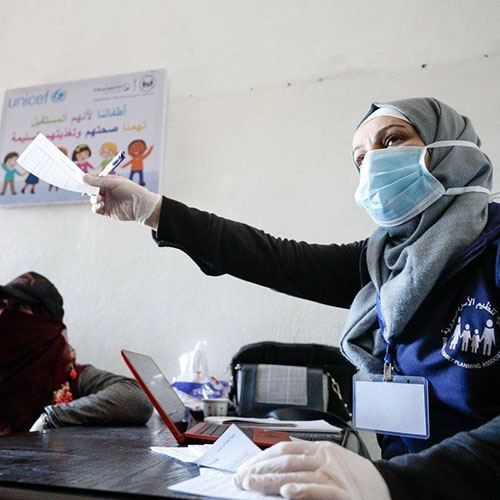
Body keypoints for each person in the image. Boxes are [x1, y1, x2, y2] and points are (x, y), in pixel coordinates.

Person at [83, 98, 499, 497]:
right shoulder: (384, 261)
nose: (373, 163)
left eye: (392, 140)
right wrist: (153, 210)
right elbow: (273, 259)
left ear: (451, 147)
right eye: (360, 158)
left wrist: (392, 482)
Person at [0, 271, 153, 435]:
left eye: (19, 307)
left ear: (45, 321)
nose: (4, 314)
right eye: (3, 305)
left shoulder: (68, 376)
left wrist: (53, 416)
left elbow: (137, 398)